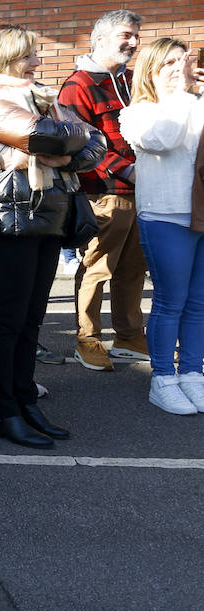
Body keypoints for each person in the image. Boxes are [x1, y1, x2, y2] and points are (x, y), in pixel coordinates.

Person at [0, 24, 105, 448]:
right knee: (9, 320)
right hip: (10, 221)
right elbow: (46, 135)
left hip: (46, 217)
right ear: (2, 59)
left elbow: (95, 144)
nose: (36, 62)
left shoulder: (39, 100)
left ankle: (25, 400)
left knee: (31, 319)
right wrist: (62, 146)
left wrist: (60, 151)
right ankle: (3, 410)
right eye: (27, 55)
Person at [57, 9, 148, 372]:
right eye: (127, 35)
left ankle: (128, 335)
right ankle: (88, 337)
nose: (134, 43)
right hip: (103, 192)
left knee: (134, 268)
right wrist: (127, 169)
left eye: (136, 36)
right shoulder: (77, 85)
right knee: (98, 267)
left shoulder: (133, 80)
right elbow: (81, 143)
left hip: (141, 190)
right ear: (100, 38)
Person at [119, 38, 204, 414]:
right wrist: (185, 94)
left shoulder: (193, 102)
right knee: (171, 301)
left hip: (200, 215)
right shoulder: (138, 113)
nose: (175, 69)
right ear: (149, 71)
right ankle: (162, 379)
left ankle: (192, 374)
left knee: (199, 304)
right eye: (167, 63)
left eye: (181, 61)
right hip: (164, 215)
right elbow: (165, 140)